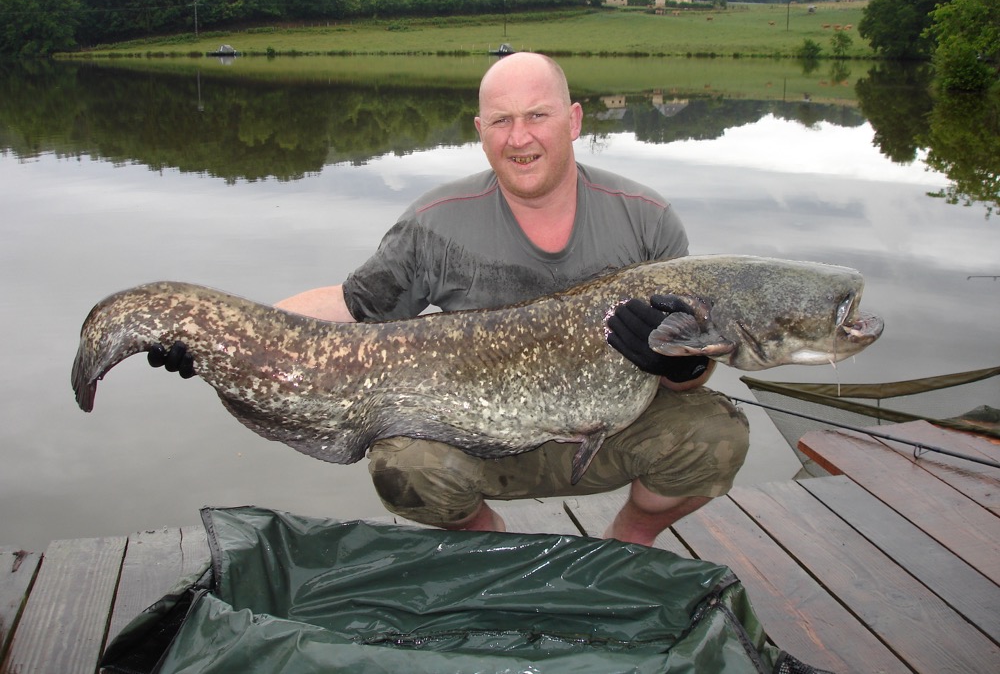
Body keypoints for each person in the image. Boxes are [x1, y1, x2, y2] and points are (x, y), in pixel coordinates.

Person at [151, 52, 749, 547]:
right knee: (400, 466)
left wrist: (685, 365)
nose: (520, 138)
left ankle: (629, 543)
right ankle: (492, 543)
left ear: (573, 120)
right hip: (479, 437)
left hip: (614, 430)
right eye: (501, 121)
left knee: (719, 435)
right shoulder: (436, 223)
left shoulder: (647, 222)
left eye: (537, 115)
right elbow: (352, 306)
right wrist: (217, 335)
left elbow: (686, 379)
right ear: (479, 130)